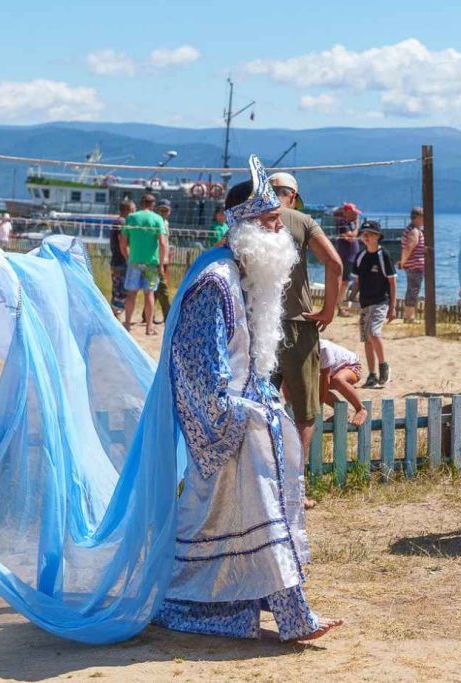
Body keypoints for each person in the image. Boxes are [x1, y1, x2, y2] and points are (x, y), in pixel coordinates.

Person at [152, 155, 342, 642]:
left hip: (250, 419)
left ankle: (272, 612)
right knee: (251, 514)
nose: (280, 230)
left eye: (279, 220)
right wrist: (233, 414)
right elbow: (197, 368)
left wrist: (262, 398)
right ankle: (289, 616)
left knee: (257, 515)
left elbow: (249, 356)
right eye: (270, 221)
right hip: (228, 427)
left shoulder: (243, 277)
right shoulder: (213, 282)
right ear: (242, 225)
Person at [268, 171, 342, 510]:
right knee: (304, 412)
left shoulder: (250, 220)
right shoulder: (302, 221)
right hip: (297, 325)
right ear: (293, 196)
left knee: (256, 407)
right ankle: (293, 490)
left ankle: (258, 485)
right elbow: (335, 264)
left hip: (257, 326)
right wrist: (328, 310)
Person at [353, 220, 396, 388]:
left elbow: (392, 283)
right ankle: (372, 375)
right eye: (364, 233)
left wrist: (392, 308)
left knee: (373, 332)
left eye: (370, 233)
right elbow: (356, 282)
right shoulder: (360, 256)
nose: (366, 236)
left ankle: (383, 365)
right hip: (365, 303)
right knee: (367, 339)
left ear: (378, 236)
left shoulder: (383, 255)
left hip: (381, 301)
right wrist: (350, 296)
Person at [119, 193, 167, 335]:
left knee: (131, 294)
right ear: (153, 205)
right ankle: (149, 327)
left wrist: (128, 256)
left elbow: (123, 242)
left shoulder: (132, 218)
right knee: (149, 295)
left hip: (135, 260)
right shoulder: (157, 219)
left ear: (141, 203)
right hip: (151, 262)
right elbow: (163, 244)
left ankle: (127, 324)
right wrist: (161, 263)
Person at [319, 340, 367, 427]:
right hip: (333, 372)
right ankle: (341, 412)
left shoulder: (323, 348)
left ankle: (360, 409)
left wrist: (320, 401)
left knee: (337, 380)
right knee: (316, 388)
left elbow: (325, 377)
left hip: (352, 366)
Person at [334, 202, 362, 315]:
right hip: (346, 257)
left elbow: (352, 236)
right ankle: (340, 307)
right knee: (344, 282)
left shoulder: (348, 223)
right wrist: (357, 225)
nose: (356, 216)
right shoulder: (343, 223)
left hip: (351, 257)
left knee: (350, 281)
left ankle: (346, 302)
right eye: (354, 213)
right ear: (347, 212)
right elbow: (351, 237)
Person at [399, 207, 425, 323]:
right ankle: (409, 316)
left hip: (413, 265)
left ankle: (408, 315)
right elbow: (409, 247)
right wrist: (403, 262)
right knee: (413, 290)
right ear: (418, 218)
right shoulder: (414, 231)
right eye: (423, 217)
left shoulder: (412, 229)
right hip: (414, 265)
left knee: (412, 290)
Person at [109, 200, 135, 315]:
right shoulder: (121, 223)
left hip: (117, 260)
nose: (134, 213)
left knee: (117, 290)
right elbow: (122, 243)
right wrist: (129, 258)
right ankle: (115, 315)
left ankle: (115, 314)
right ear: (127, 210)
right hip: (121, 261)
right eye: (133, 210)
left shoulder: (118, 222)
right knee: (120, 290)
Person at [154, 198, 173, 321]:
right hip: (157, 259)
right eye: (161, 210)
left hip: (164, 259)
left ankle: (147, 315)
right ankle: (168, 315)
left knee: (156, 289)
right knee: (162, 288)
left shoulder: (166, 223)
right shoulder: (157, 222)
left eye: (165, 210)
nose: (163, 213)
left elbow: (165, 242)